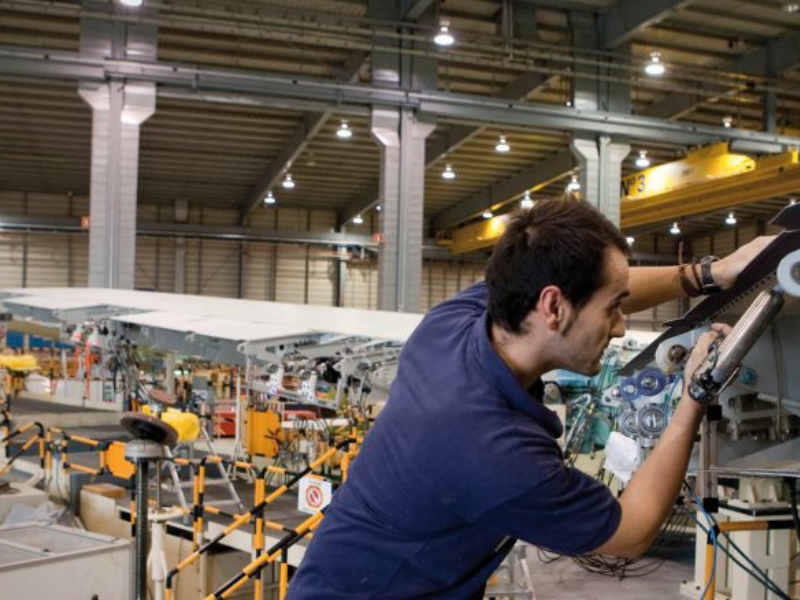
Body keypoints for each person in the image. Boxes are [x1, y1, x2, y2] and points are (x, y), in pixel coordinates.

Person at [287, 198, 772, 599]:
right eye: (613, 310)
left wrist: (710, 273)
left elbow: (603, 283)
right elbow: (632, 530)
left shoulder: (455, 323)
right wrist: (695, 394)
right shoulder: (491, 450)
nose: (622, 325)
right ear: (554, 307)